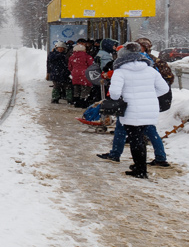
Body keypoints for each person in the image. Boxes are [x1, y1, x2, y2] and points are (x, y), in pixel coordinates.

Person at [100, 42, 172, 179]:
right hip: (150, 108)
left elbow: (114, 94)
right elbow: (164, 89)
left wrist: (128, 96)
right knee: (141, 137)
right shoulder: (150, 70)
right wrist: (148, 96)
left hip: (131, 109)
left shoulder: (120, 72)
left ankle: (140, 170)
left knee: (135, 139)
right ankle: (140, 165)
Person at [68, 44, 94, 108]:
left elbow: (69, 67)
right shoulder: (87, 56)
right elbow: (91, 66)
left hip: (75, 74)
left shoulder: (72, 57)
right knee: (85, 89)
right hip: (85, 74)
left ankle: (76, 103)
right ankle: (83, 103)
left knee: (76, 89)